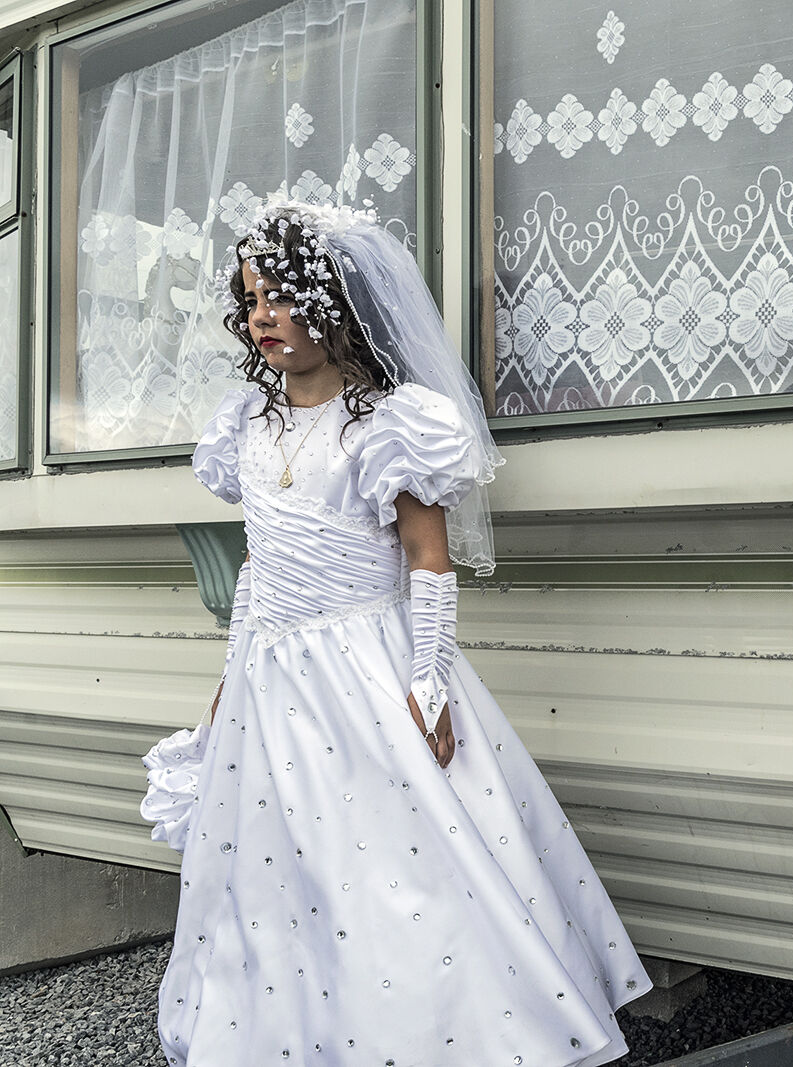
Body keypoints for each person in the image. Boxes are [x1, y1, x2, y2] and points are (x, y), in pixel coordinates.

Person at [140, 200, 651, 1067]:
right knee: (279, 872)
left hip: (366, 668)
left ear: (333, 304)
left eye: (283, 297)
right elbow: (258, 567)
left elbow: (427, 559)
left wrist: (430, 680)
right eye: (252, 299)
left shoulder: (388, 424)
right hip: (271, 677)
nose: (263, 315)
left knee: (396, 868)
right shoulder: (247, 427)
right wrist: (230, 679)